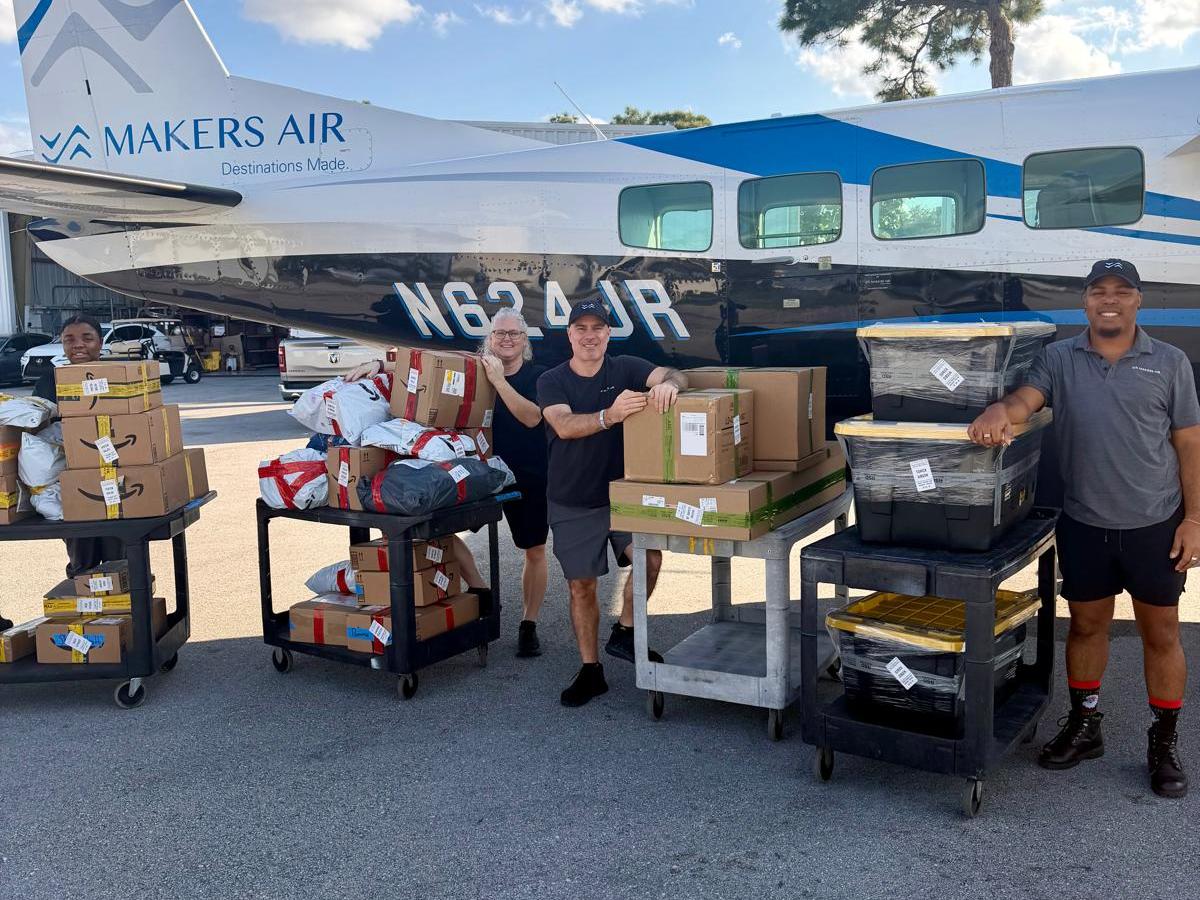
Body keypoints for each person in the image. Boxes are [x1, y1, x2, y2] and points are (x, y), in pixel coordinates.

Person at [968, 258, 1200, 799]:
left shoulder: (1169, 363)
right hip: (1084, 522)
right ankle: (1085, 724)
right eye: (1099, 291)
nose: (1110, 299)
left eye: (1122, 290)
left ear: (1140, 300)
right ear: (1086, 302)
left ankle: (1163, 741)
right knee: (1087, 627)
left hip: (1155, 524)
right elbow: (1027, 400)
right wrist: (1002, 410)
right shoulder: (1058, 358)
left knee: (1161, 633)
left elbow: (1189, 443)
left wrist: (1194, 518)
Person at [537, 298, 687, 707]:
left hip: (624, 496)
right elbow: (564, 426)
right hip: (573, 500)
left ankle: (624, 631)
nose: (589, 336)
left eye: (597, 328)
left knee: (650, 558)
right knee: (582, 587)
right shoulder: (552, 379)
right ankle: (591, 671)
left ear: (608, 333)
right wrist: (610, 415)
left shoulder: (625, 368)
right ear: (569, 335)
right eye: (581, 328)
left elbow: (675, 373)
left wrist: (669, 385)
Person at [477, 309, 549, 658]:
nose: (506, 339)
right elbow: (426, 368)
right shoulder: (475, 372)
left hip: (530, 475)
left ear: (525, 341)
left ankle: (528, 624)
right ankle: (482, 598)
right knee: (441, 534)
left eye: (514, 334)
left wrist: (499, 382)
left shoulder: (539, 376)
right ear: (489, 338)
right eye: (499, 333)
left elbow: (533, 417)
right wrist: (377, 366)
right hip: (481, 475)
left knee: (533, 550)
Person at [34, 315, 126, 578]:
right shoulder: (50, 381)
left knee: (117, 553)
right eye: (69, 339)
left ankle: (124, 610)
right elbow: (38, 434)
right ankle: (87, 603)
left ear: (100, 342)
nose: (78, 345)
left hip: (117, 474)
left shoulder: (119, 377)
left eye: (87, 338)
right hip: (72, 480)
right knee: (81, 555)